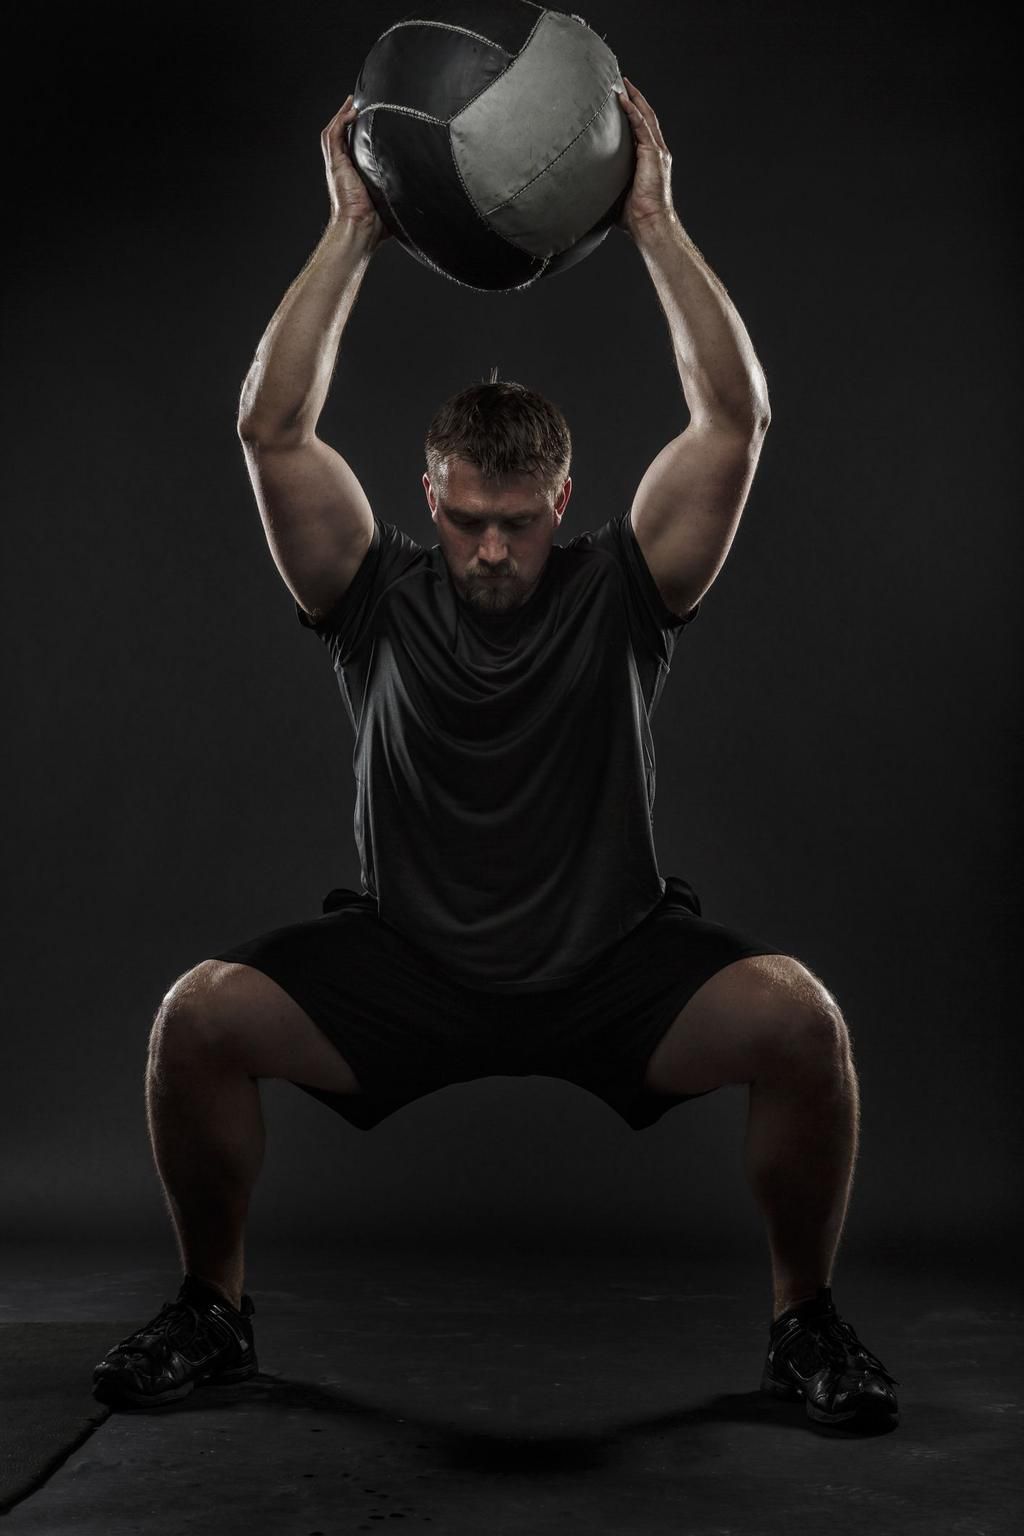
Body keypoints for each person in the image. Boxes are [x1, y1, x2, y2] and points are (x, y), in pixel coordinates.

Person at [92, 80, 899, 1431]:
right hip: (410, 965)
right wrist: (351, 228)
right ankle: (212, 1312)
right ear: (431, 498)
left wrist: (652, 218)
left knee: (803, 1027)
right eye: (468, 522)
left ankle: (805, 1327)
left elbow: (733, 421)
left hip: (611, 968)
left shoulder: (624, 589)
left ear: (561, 502)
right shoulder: (370, 595)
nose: (489, 551)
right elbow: (270, 429)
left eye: (517, 525)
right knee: (198, 1023)